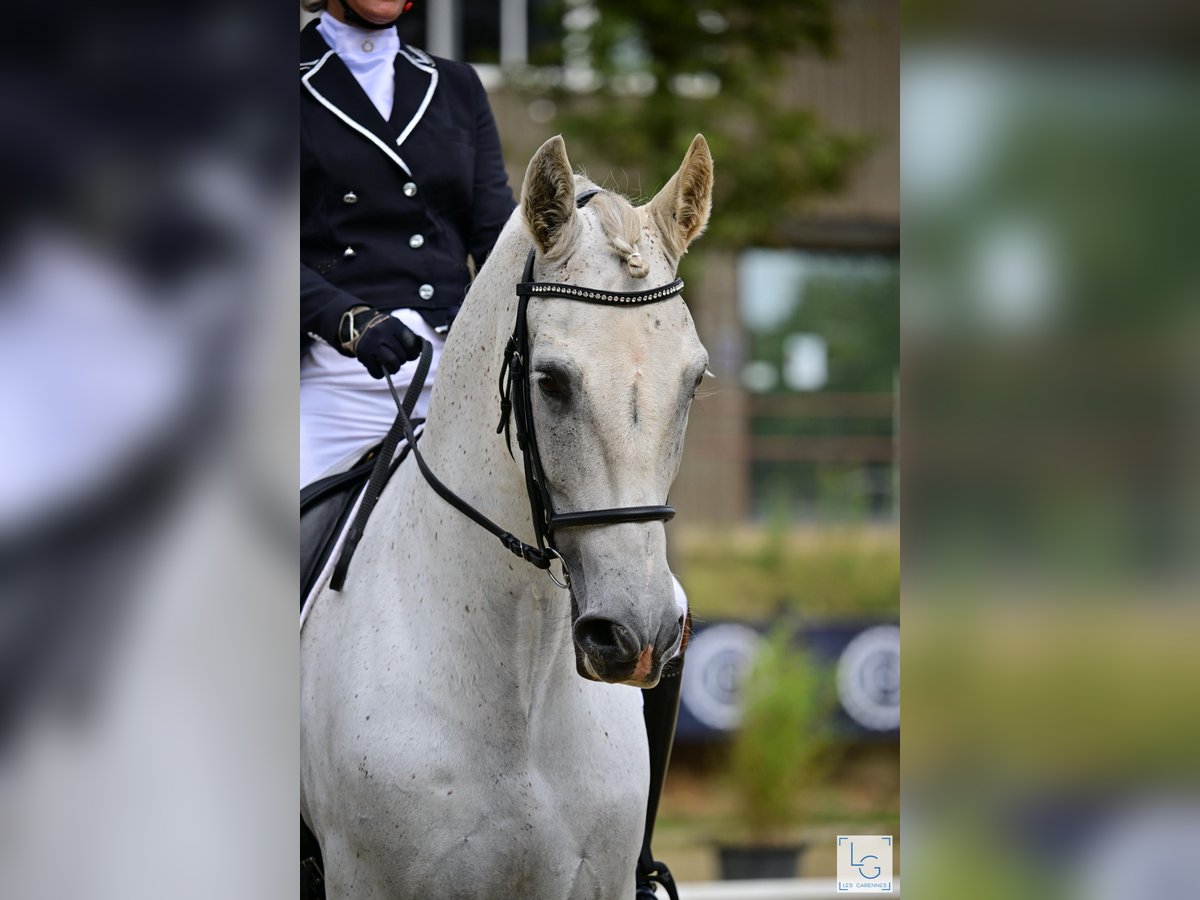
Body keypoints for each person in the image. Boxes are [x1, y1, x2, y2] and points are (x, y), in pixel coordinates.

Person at [300, 0, 516, 488]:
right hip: (335, 379)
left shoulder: (457, 86)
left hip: (458, 375)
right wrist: (350, 322)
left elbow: (497, 238)